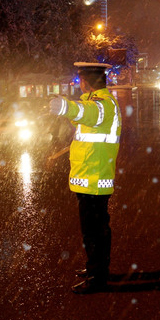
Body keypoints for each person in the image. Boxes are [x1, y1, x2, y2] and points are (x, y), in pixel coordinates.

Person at [49, 62, 122, 294]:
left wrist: (66, 107)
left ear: (88, 81)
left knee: (93, 230)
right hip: (90, 176)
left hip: (94, 178)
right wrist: (71, 108)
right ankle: (97, 268)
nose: (79, 83)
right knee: (95, 228)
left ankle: (97, 277)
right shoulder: (96, 100)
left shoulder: (104, 104)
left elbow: (89, 114)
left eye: (81, 79)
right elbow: (84, 116)